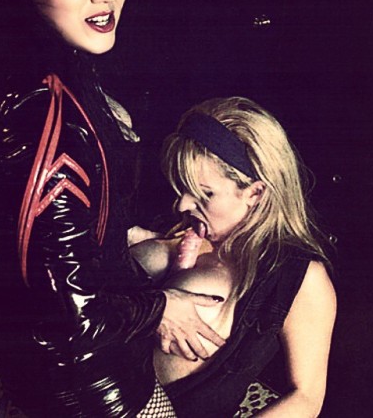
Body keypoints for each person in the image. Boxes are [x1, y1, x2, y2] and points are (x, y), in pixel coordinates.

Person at [0, 0, 226, 416]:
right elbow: (74, 317)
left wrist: (125, 234)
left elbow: (50, 240)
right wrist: (162, 307)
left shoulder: (60, 73)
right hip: (91, 386)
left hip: (68, 371)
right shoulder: (43, 116)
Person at [130, 96, 337, 417]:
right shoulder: (176, 230)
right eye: (182, 187)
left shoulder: (298, 274)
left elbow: (306, 398)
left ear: (255, 193)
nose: (183, 204)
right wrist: (155, 306)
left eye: (205, 193)